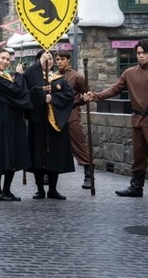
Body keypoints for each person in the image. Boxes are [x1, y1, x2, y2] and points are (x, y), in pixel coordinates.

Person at [85, 39, 148, 197]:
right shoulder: (130, 73)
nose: (141, 56)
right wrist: (96, 96)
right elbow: (115, 89)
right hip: (138, 120)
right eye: (139, 53)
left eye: (144, 53)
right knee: (138, 156)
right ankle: (136, 187)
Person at [23, 50, 75, 200]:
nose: (49, 60)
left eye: (51, 58)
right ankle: (40, 189)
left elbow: (69, 96)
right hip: (38, 123)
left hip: (55, 124)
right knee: (38, 157)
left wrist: (52, 97)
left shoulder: (60, 80)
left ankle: (53, 189)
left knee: (54, 157)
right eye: (45, 58)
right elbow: (27, 93)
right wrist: (39, 94)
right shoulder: (33, 78)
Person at [0, 48, 32, 201]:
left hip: (12, 119)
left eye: (7, 59)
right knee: (1, 154)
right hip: (1, 121)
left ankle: (7, 190)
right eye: (2, 58)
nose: (5, 61)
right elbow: (16, 92)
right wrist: (19, 74)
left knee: (13, 153)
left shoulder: (6, 76)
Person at [54, 50, 94, 189]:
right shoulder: (53, 76)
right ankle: (49, 174)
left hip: (72, 113)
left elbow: (85, 94)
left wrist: (85, 98)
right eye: (57, 59)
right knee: (54, 145)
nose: (59, 62)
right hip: (56, 115)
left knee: (79, 144)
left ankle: (89, 175)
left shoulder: (77, 77)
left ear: (68, 60)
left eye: (62, 59)